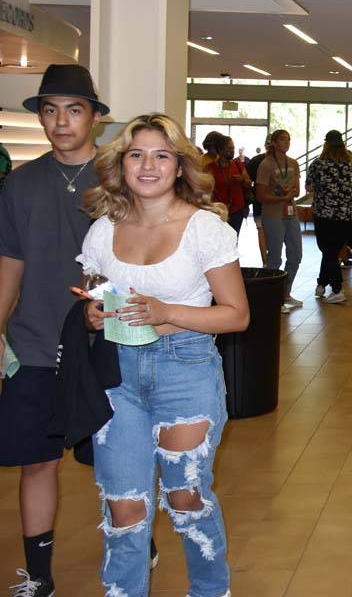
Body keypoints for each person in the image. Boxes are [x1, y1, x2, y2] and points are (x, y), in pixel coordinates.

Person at [78, 112, 248, 597]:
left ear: (179, 167)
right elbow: (98, 298)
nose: (147, 165)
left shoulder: (205, 229)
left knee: (185, 497)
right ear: (121, 165)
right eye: (136, 154)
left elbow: (236, 315)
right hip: (118, 375)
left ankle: (210, 591)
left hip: (187, 369)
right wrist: (94, 315)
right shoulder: (102, 231)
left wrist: (164, 310)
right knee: (124, 507)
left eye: (161, 155)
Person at [0, 64, 105, 597]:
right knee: (37, 461)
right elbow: (9, 264)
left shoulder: (120, 176)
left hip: (104, 346)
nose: (61, 121)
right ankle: (38, 578)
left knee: (111, 460)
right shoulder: (20, 182)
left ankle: (131, 545)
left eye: (74, 109)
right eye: (50, 110)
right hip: (35, 343)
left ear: (94, 117)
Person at [305, 130, 352, 304]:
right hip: (347, 214)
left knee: (328, 250)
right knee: (332, 250)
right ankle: (321, 283)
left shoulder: (318, 164)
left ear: (326, 143)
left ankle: (337, 289)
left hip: (324, 214)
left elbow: (309, 188)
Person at [255, 129, 303, 313]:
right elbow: (261, 195)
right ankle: (272, 297)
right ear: (273, 143)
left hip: (291, 213)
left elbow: (296, 191)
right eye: (282, 139)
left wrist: (288, 194)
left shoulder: (293, 163)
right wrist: (282, 197)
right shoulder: (266, 164)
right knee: (274, 257)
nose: (286, 142)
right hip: (273, 214)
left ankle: (285, 292)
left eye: (288, 139)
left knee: (296, 255)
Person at [205, 134, 251, 234]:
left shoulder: (238, 164)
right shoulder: (209, 168)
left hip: (237, 210)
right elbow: (205, 190)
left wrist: (242, 180)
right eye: (228, 148)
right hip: (217, 211)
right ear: (220, 150)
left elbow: (248, 183)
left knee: (234, 239)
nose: (232, 150)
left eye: (233, 148)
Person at [245, 137, 270, 264]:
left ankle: (265, 261)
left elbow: (247, 181)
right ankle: (271, 259)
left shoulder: (256, 160)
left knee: (261, 230)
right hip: (276, 202)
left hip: (259, 199)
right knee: (274, 232)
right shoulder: (282, 161)